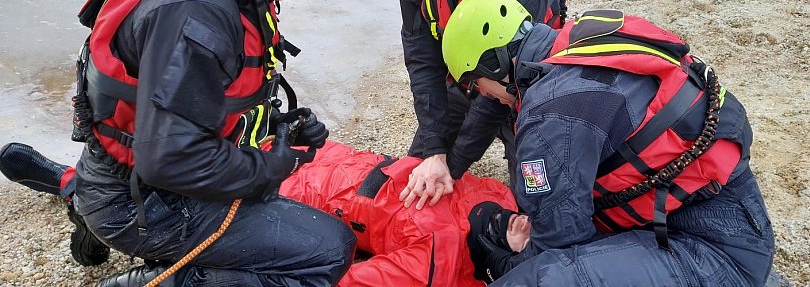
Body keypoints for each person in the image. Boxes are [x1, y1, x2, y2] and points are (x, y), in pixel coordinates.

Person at [39, 0, 359, 285]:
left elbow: (197, 98)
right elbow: (170, 160)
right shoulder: (196, 15)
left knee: (275, 206)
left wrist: (282, 125)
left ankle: (83, 202)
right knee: (330, 251)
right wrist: (269, 167)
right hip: (140, 201)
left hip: (125, 175)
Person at [440, 0, 776, 286]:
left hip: (713, 252)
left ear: (495, 64)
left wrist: (504, 264)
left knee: (530, 279)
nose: (484, 94)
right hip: (726, 211)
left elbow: (560, 244)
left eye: (475, 83)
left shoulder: (548, 113)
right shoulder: (577, 44)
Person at [1, 140, 527, 286]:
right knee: (173, 167)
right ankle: (82, 194)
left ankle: (73, 188)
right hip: (310, 161)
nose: (526, 225)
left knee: (310, 269)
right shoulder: (502, 199)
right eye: (534, 226)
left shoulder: (438, 263)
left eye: (524, 241)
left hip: (293, 199)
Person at [395, 0, 567, 210]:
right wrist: (434, 152)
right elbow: (424, 66)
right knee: (418, 175)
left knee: (535, 203)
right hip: (471, 77)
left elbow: (501, 93)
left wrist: (454, 164)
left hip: (524, 89)